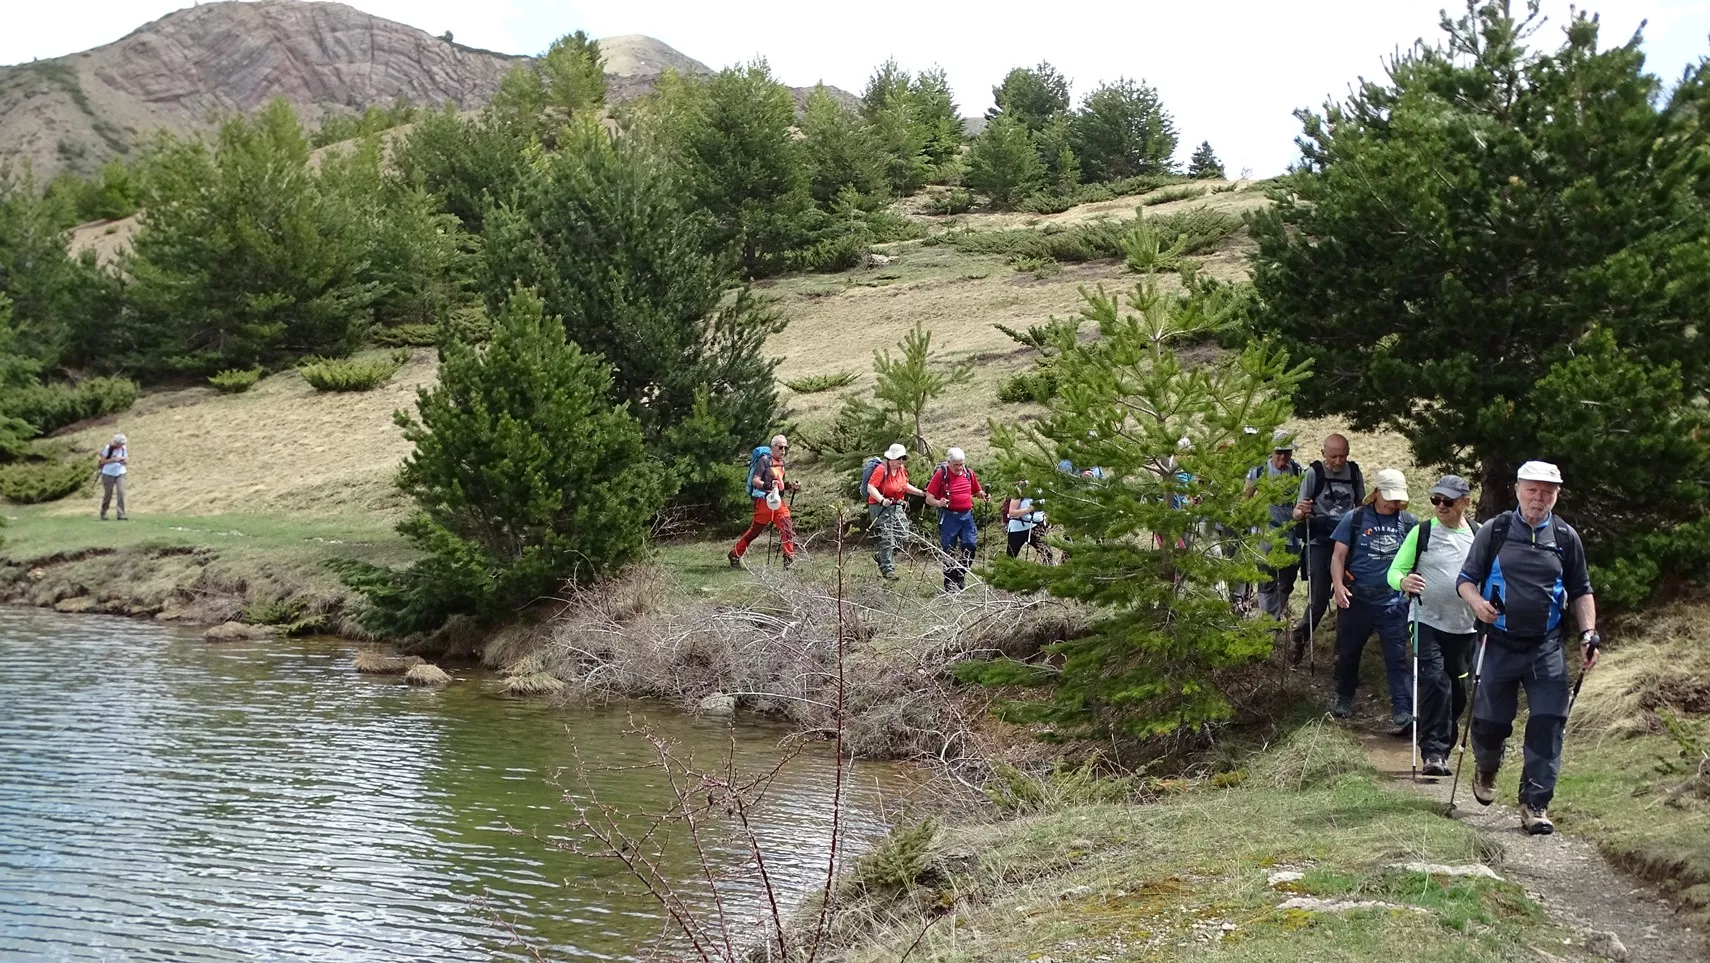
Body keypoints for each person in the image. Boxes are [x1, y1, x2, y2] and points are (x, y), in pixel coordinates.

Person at [1456, 460, 1598, 835]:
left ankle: (1535, 803)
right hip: (1497, 641)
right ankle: (1487, 766)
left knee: (1549, 720)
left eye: (1547, 491)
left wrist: (1588, 633)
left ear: (1557, 495)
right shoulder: (1496, 530)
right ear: (1518, 490)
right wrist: (1477, 604)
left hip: (1545, 646)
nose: (1539, 498)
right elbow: (1466, 580)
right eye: (1532, 490)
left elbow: (1581, 590)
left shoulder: (1565, 537)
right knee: (1490, 723)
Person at [1387, 475, 1479, 776]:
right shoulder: (1422, 532)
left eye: (1447, 501)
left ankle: (1444, 746)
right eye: (1435, 500)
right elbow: (1394, 571)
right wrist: (1403, 581)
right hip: (1425, 620)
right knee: (1435, 681)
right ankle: (1433, 753)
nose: (1440, 506)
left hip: (1465, 627)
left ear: (1465, 502)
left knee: (1457, 691)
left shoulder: (1478, 535)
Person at [1328, 468, 1418, 730]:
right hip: (1357, 599)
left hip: (1394, 602)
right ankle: (1344, 698)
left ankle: (1402, 710)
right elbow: (1337, 556)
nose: (1393, 502)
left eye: (1397, 498)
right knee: (1349, 652)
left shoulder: (1409, 523)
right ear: (1376, 492)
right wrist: (1338, 586)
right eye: (1389, 497)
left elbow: (1418, 558)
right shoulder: (1355, 519)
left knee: (1397, 658)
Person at [1290, 433, 1366, 662]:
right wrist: (1301, 512)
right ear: (1323, 453)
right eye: (1333, 457)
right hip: (1319, 542)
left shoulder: (1354, 473)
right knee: (1319, 600)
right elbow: (1297, 512)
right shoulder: (1313, 473)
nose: (1338, 461)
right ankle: (1300, 637)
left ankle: (1341, 654)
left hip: (1347, 543)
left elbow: (1361, 506)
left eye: (1343, 456)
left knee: (1348, 599)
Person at [1246, 430, 1303, 627]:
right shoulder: (1259, 470)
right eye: (1279, 452)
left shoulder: (1297, 470)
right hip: (1265, 532)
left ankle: (1273, 618)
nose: (1283, 457)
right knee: (1266, 578)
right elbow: (1246, 498)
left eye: (1287, 452)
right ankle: (1268, 623)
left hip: (1290, 533)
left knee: (1287, 579)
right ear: (1271, 451)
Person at [728, 435, 800, 570]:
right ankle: (735, 554)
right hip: (764, 502)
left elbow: (779, 485)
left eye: (786, 448)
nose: (783, 450)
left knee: (787, 528)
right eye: (780, 447)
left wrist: (790, 486)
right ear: (773, 447)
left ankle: (789, 561)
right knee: (755, 531)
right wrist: (768, 485)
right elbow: (756, 481)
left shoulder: (781, 463)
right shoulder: (764, 460)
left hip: (778, 501)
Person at [924, 447, 990, 591]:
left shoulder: (968, 473)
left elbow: (976, 491)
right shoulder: (941, 474)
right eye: (956, 465)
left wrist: (983, 495)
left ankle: (960, 574)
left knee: (970, 545)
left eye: (961, 464)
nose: (959, 468)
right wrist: (939, 503)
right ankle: (949, 583)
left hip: (967, 516)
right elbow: (929, 498)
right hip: (949, 517)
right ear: (949, 463)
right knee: (949, 549)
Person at [866, 443, 927, 581]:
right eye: (899, 458)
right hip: (879, 506)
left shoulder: (901, 469)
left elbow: (904, 485)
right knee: (887, 538)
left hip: (896, 505)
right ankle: (889, 571)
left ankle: (882, 556)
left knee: (903, 534)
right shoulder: (881, 470)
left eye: (903, 458)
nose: (901, 461)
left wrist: (920, 493)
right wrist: (882, 500)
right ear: (891, 458)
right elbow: (871, 487)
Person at [1003, 481, 1052, 563]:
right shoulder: (1021, 488)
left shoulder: (1045, 486)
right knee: (1010, 557)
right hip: (1018, 528)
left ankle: (1047, 570)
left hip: (1036, 526)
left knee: (1047, 554)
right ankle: (1004, 571)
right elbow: (1012, 512)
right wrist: (1029, 509)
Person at [97, 432, 128, 521]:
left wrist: (123, 461)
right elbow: (102, 461)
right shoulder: (108, 448)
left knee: (121, 492)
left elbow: (126, 459)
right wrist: (113, 460)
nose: (122, 445)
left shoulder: (124, 448)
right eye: (120, 443)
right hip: (108, 473)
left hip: (120, 472)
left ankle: (121, 514)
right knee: (108, 494)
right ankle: (104, 512)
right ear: (116, 443)